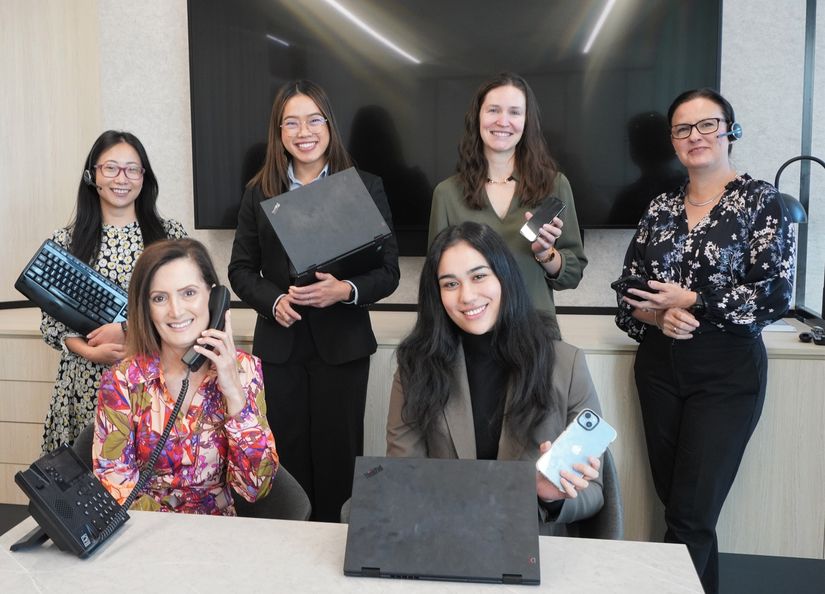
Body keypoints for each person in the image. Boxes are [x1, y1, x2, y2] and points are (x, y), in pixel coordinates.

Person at [615, 88, 795, 593]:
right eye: (682, 129)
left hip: (727, 373)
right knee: (678, 508)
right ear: (672, 142)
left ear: (730, 131)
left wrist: (691, 301)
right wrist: (658, 318)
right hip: (658, 368)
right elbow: (627, 288)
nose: (695, 136)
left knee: (691, 515)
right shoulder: (661, 207)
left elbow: (775, 295)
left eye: (707, 125)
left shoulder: (762, 202)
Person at [228, 79, 400, 522]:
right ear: (279, 132)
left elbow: (388, 272)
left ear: (329, 125)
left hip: (342, 348)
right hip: (281, 348)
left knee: (340, 457)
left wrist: (345, 290)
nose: (303, 131)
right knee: (285, 458)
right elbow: (240, 270)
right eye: (291, 123)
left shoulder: (363, 186)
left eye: (313, 120)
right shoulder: (259, 192)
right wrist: (273, 300)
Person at [387, 222, 603, 536]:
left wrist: (549, 494)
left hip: (533, 545)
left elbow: (594, 492)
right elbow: (403, 475)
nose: (467, 296)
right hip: (445, 537)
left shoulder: (566, 364)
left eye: (478, 276)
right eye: (450, 284)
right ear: (437, 295)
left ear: (504, 276)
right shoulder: (415, 367)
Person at [93, 239, 279, 514]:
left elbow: (256, 487)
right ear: (145, 308)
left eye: (189, 293)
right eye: (159, 298)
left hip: (218, 537)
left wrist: (233, 392)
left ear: (214, 297)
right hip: (145, 535)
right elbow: (114, 484)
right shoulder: (122, 381)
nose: (176, 311)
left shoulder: (245, 370)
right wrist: (175, 535)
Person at [40, 130, 187, 454]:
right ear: (92, 175)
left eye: (132, 169)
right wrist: (92, 353)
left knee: (146, 484)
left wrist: (127, 331)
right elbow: (52, 323)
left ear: (143, 177)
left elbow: (187, 309)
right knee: (83, 489)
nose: (122, 178)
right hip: (83, 387)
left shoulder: (169, 236)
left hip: (153, 381)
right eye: (111, 168)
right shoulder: (66, 241)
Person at [428, 72, 587, 339]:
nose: (503, 121)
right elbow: (437, 280)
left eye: (515, 112)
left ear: (527, 122)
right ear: (477, 117)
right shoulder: (446, 194)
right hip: (469, 339)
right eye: (493, 110)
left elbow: (571, 276)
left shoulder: (555, 185)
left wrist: (545, 253)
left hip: (534, 337)